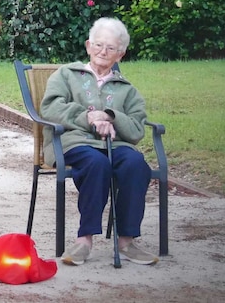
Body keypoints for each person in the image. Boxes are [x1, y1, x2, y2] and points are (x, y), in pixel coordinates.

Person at [39, 17, 159, 266]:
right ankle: (84, 240)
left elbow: (137, 129)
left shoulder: (127, 89)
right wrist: (89, 116)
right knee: (96, 163)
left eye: (111, 48)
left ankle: (126, 241)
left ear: (121, 54)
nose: (103, 51)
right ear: (88, 46)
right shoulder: (67, 75)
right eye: (98, 45)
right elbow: (50, 107)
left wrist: (111, 116)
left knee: (136, 164)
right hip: (74, 142)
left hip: (116, 145)